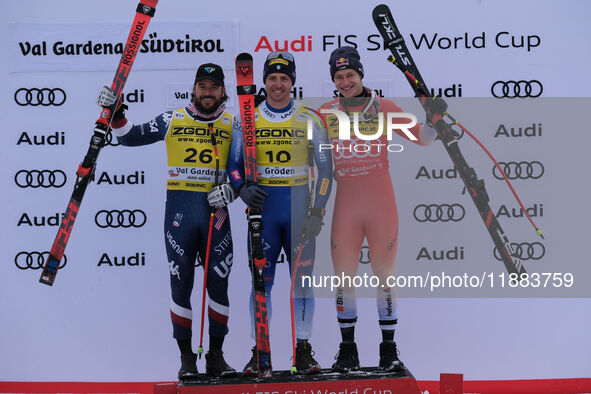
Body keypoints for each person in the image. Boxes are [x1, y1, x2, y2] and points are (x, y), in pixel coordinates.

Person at [96, 63, 241, 380]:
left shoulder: (234, 123)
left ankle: (215, 356)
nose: (207, 92)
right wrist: (115, 111)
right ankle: (187, 359)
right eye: (202, 86)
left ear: (222, 92)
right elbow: (130, 137)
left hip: (216, 216)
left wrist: (232, 189)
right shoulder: (173, 118)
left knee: (218, 284)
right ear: (193, 89)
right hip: (180, 215)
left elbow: (241, 168)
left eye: (213, 87)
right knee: (181, 284)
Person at [318, 46, 442, 372]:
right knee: (344, 278)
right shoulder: (325, 112)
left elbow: (424, 138)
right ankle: (348, 350)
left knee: (385, 276)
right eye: (339, 77)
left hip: (380, 203)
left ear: (361, 76)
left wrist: (436, 120)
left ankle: (388, 349)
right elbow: (307, 156)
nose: (345, 82)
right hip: (346, 204)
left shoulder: (383, 107)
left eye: (351, 75)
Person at [227, 51, 333, 375]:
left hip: (300, 209)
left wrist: (317, 211)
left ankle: (303, 351)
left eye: (284, 78)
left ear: (292, 82)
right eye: (272, 78)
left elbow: (327, 170)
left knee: (302, 282)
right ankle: (260, 351)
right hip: (264, 211)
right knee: (262, 282)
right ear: (264, 81)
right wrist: (243, 188)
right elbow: (233, 167)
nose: (277, 84)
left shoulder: (311, 119)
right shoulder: (246, 118)